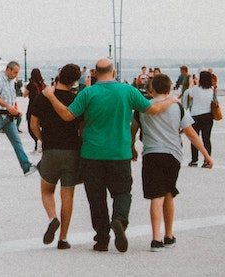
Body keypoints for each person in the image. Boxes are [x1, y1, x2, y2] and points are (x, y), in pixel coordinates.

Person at [41, 57, 177, 253]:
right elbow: (153, 109)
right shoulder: (127, 91)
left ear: (94, 73)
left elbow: (67, 116)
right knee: (122, 193)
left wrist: (51, 96)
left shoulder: (88, 93)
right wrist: (171, 100)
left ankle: (102, 238)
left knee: (96, 197)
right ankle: (119, 220)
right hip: (119, 153)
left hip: (92, 154)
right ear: (113, 72)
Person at [134, 72, 212, 249]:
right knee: (169, 193)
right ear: (170, 88)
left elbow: (133, 128)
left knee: (156, 195)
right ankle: (169, 235)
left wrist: (132, 147)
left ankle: (156, 239)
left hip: (151, 154)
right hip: (173, 155)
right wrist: (206, 155)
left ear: (151, 88)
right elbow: (191, 133)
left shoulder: (143, 108)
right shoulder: (177, 107)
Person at [29, 64, 83, 250]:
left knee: (47, 190)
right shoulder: (76, 99)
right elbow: (82, 127)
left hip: (51, 150)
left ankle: (53, 218)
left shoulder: (43, 97)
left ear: (59, 75)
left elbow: (33, 124)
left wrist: (43, 139)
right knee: (67, 194)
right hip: (72, 150)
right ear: (75, 81)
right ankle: (63, 239)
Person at [182, 71, 216, 167]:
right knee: (206, 139)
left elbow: (189, 94)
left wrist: (191, 83)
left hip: (196, 116)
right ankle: (207, 159)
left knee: (194, 138)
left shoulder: (196, 89)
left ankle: (194, 160)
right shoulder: (212, 89)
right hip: (208, 116)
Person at [25, 68, 46, 152]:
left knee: (32, 125)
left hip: (32, 107)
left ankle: (37, 142)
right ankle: (42, 142)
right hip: (42, 107)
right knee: (41, 125)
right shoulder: (43, 84)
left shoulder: (30, 85)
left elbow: (24, 94)